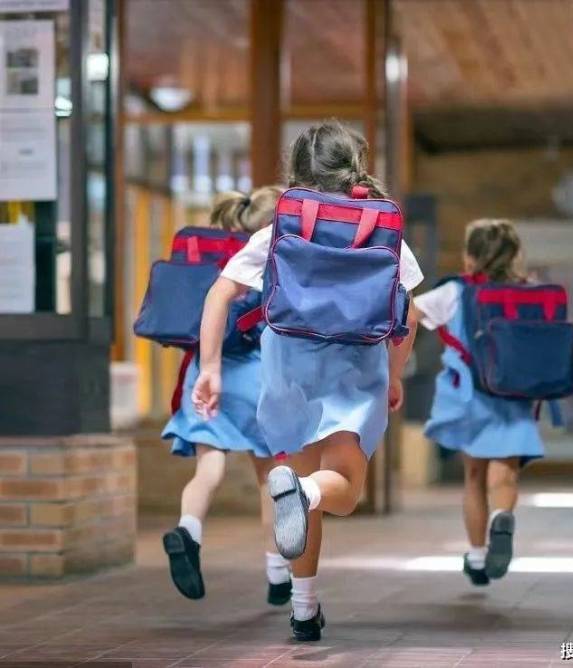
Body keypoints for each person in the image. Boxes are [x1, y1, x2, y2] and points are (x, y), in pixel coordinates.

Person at [192, 120, 423, 641]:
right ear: (354, 164)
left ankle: (303, 608)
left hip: (288, 369)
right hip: (355, 368)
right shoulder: (381, 227)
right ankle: (305, 494)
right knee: (341, 488)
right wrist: (393, 373)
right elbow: (408, 312)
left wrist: (210, 368)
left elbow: (220, 293)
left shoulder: (281, 226)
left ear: (296, 167)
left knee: (299, 490)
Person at [162, 186, 295, 607]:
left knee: (209, 468)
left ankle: (188, 530)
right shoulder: (270, 254)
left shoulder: (214, 259)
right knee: (268, 477)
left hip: (206, 371)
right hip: (256, 374)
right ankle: (278, 574)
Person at [414, 219, 544, 587]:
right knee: (505, 471)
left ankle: (475, 555)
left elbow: (408, 316)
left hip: (469, 395)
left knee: (474, 475)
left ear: (470, 257)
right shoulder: (528, 291)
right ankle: (502, 516)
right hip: (514, 394)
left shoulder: (454, 292)